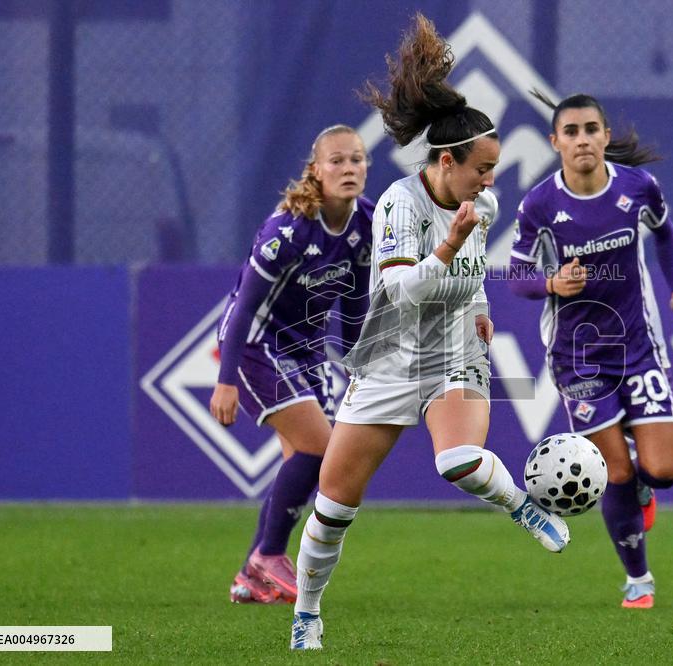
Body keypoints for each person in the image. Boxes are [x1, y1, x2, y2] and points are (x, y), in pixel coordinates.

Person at [289, 14, 570, 650]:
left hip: (454, 349)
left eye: (495, 169)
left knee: (458, 461)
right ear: (448, 161)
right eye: (483, 168)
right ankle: (307, 611)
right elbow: (396, 289)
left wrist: (477, 306)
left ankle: (523, 504)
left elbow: (468, 275)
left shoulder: (484, 204)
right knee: (332, 509)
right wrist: (449, 243)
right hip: (389, 353)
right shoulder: (397, 204)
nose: (491, 181)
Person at [508, 91, 673, 610]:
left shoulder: (637, 187)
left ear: (605, 136)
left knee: (663, 471)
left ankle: (644, 486)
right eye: (571, 131)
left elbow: (666, 235)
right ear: (555, 143)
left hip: (639, 345)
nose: (582, 139)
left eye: (591, 128)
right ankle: (638, 580)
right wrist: (551, 283)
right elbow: (516, 275)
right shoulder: (540, 204)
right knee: (612, 471)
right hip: (579, 357)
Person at [209, 124, 374, 605]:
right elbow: (243, 309)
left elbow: (355, 304)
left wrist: (359, 370)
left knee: (307, 469)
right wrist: (225, 381)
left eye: (357, 159)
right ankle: (269, 555)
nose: (348, 168)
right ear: (316, 171)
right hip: (260, 345)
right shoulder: (289, 230)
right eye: (337, 161)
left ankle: (250, 574)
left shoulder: (365, 223)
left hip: (307, 351)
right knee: (321, 449)